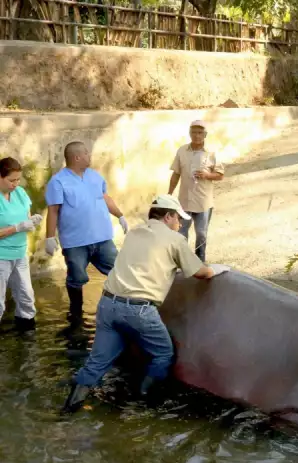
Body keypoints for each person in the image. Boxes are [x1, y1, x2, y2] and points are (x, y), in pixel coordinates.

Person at [61, 194, 229, 414]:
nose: (180, 224)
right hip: (138, 310)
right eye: (179, 219)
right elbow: (201, 273)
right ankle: (142, 404)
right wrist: (219, 268)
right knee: (162, 354)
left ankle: (67, 412)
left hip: (107, 304)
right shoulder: (174, 239)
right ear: (168, 216)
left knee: (96, 364)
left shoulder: (134, 233)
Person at [44, 141, 128, 324]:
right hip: (75, 242)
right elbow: (53, 210)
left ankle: (123, 308)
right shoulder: (58, 181)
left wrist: (120, 216)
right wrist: (49, 237)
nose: (90, 156)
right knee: (77, 278)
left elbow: (105, 197)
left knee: (119, 271)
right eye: (86, 153)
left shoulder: (95, 176)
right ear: (77, 157)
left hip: (102, 238)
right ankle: (76, 313)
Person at [168, 120, 224, 263]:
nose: (197, 135)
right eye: (194, 132)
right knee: (181, 233)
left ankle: (199, 262)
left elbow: (220, 175)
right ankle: (183, 262)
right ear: (189, 133)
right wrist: (169, 194)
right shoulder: (182, 151)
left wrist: (207, 175)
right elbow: (176, 174)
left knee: (201, 234)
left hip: (203, 202)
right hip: (184, 201)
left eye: (200, 133)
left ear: (205, 135)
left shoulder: (212, 153)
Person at [0, 157, 43, 332]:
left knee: (27, 297)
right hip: (1, 256)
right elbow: (17, 226)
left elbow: (26, 215)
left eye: (18, 179)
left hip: (20, 253)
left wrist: (31, 221)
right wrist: (17, 227)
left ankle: (26, 337)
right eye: (11, 180)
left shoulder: (20, 193)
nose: (15, 184)